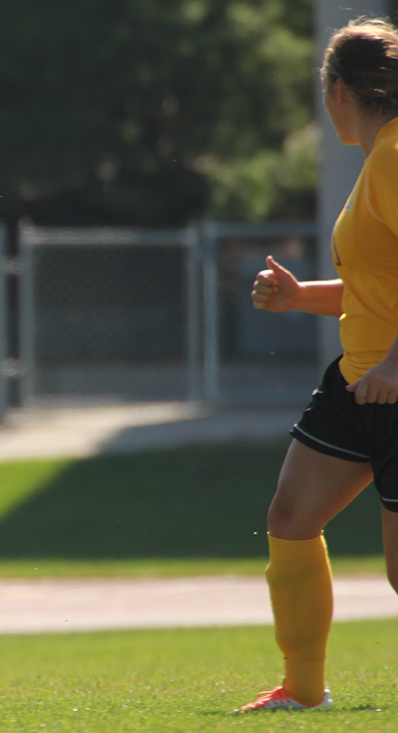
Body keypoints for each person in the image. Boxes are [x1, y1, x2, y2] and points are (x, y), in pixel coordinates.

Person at [240, 18, 398, 713]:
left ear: (338, 89)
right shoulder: (378, 162)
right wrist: (302, 296)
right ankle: (302, 690)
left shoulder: (395, 158)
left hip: (392, 383)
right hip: (357, 381)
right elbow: (374, 288)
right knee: (291, 515)